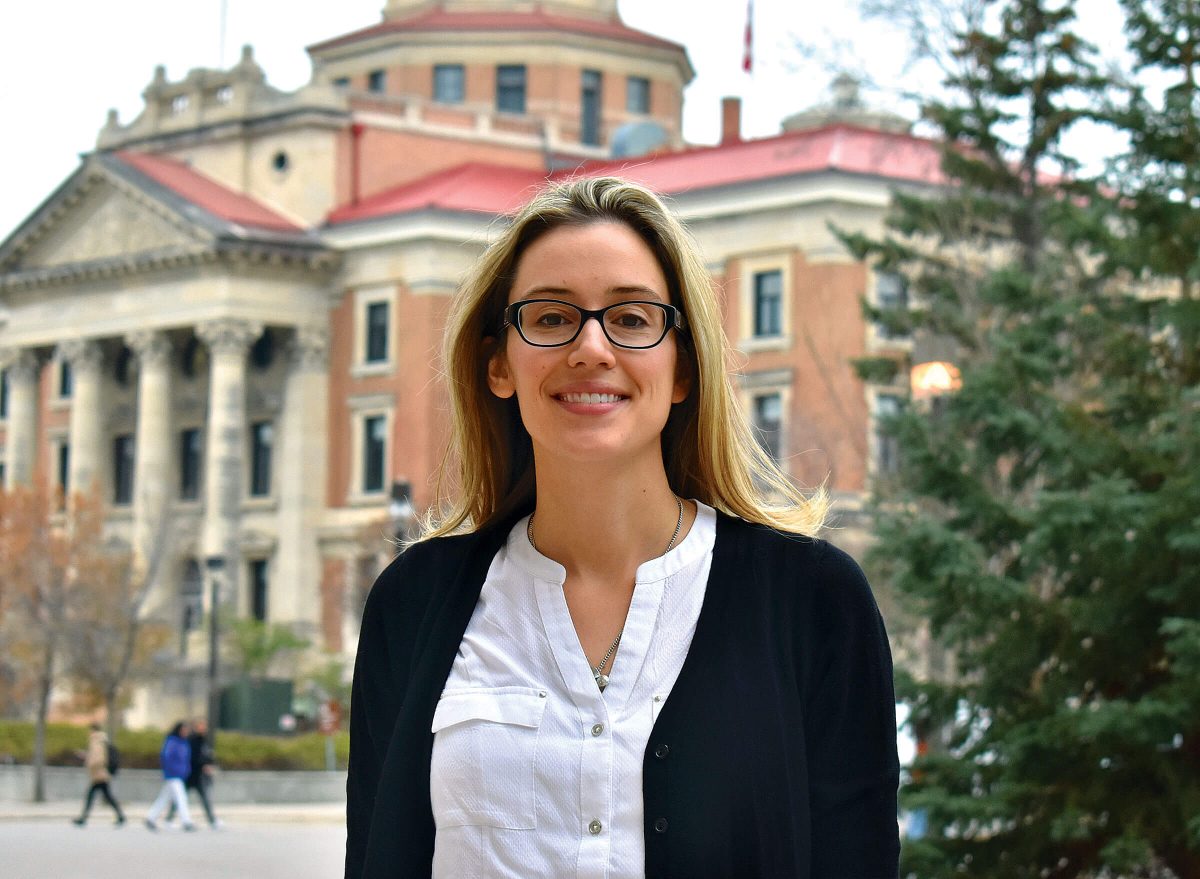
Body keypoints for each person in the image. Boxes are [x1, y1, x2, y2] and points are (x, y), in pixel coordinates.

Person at [345, 177, 900, 879]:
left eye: (632, 319)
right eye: (551, 317)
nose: (591, 348)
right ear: (498, 364)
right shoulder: (412, 603)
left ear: (682, 367)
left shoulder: (814, 600)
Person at [164, 717, 222, 829]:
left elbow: (206, 755)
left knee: (202, 799)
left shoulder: (202, 739)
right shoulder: (191, 740)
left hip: (197, 775)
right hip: (189, 775)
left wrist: (209, 764)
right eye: (201, 725)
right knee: (180, 799)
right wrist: (202, 765)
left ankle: (211, 820)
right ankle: (176, 820)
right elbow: (191, 757)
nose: (204, 728)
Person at [144, 721, 196, 831]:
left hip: (180, 774)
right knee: (181, 797)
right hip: (173, 774)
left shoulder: (184, 743)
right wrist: (172, 770)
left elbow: (186, 759)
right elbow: (167, 758)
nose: (186, 732)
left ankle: (150, 817)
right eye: (184, 730)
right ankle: (186, 821)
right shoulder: (172, 742)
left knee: (164, 798)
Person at [72, 722, 125, 827]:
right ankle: (120, 816)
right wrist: (86, 755)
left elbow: (98, 758)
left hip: (99, 774)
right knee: (107, 796)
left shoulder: (96, 741)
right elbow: (96, 756)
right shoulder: (101, 740)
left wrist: (90, 764)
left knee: (92, 796)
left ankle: (83, 818)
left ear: (92, 730)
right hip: (101, 774)